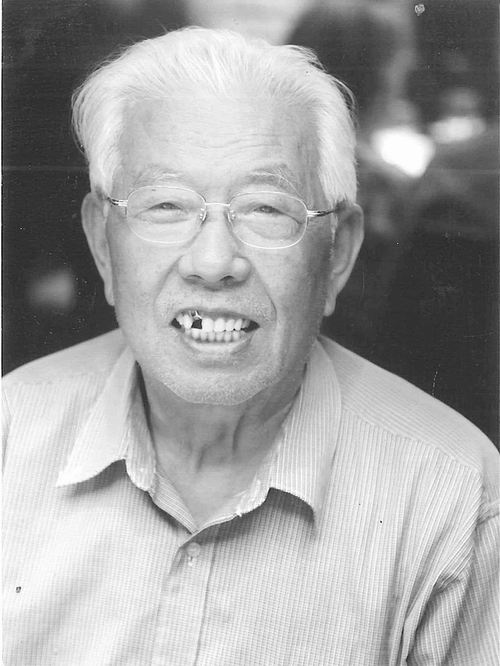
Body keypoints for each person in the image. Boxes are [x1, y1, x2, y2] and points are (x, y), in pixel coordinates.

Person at [2, 28, 498, 665]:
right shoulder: (10, 434)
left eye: (266, 208)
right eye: (165, 205)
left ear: (337, 254)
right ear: (103, 242)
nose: (214, 263)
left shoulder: (453, 495)